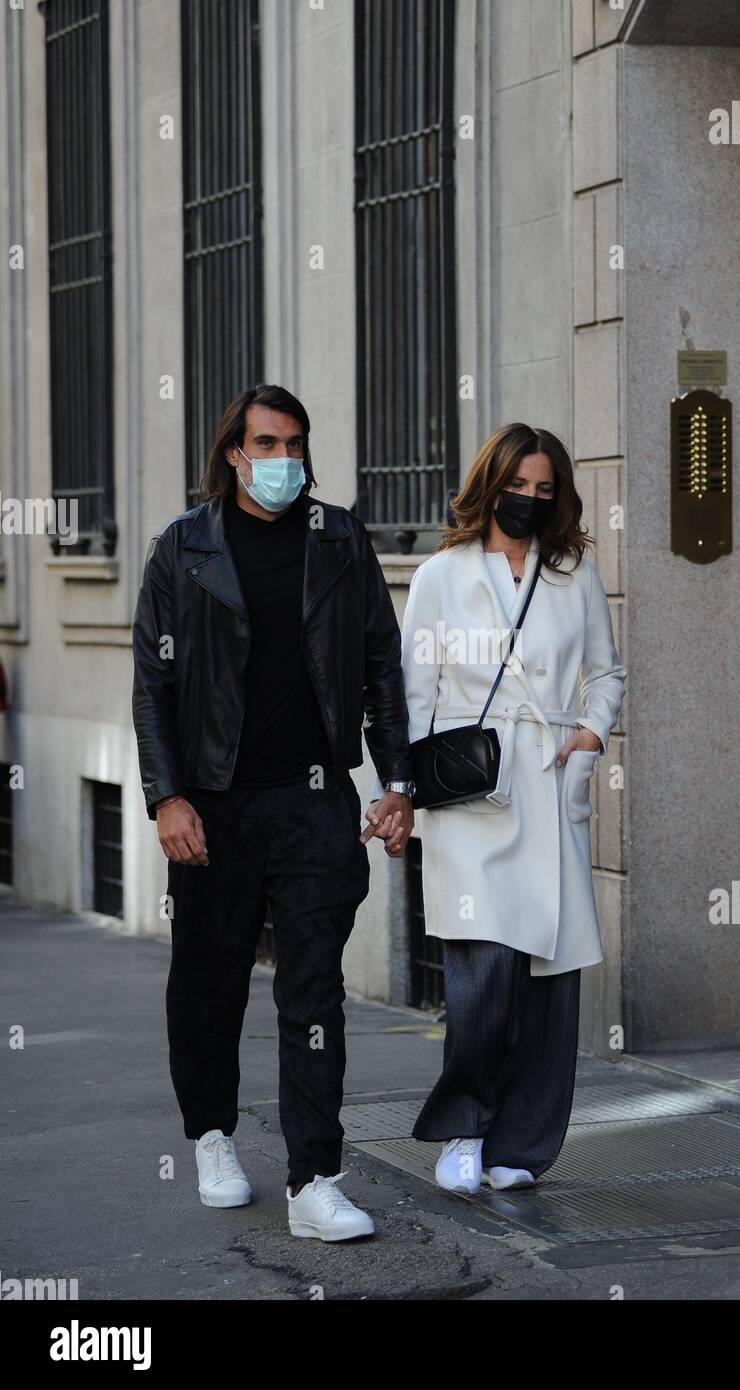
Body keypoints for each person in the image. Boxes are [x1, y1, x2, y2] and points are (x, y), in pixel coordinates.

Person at [131, 383, 415, 1241]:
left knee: (314, 994)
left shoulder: (338, 540)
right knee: (209, 987)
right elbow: (153, 684)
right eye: (265, 444)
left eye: (294, 444)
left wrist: (395, 780)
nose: (282, 460)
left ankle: (314, 1181)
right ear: (232, 453)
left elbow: (380, 664)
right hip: (213, 804)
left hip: (314, 801)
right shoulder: (184, 548)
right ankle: (212, 1137)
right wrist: (167, 795)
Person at [365, 423, 626, 1193]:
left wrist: (588, 734)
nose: (530, 501)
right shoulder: (442, 575)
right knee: (483, 974)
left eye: (545, 491)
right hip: (471, 789)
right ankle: (461, 1130)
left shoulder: (573, 572)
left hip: (548, 784)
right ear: (491, 485)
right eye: (519, 487)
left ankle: (521, 1147)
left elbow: (606, 673)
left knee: (548, 980)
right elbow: (412, 691)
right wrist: (399, 790)